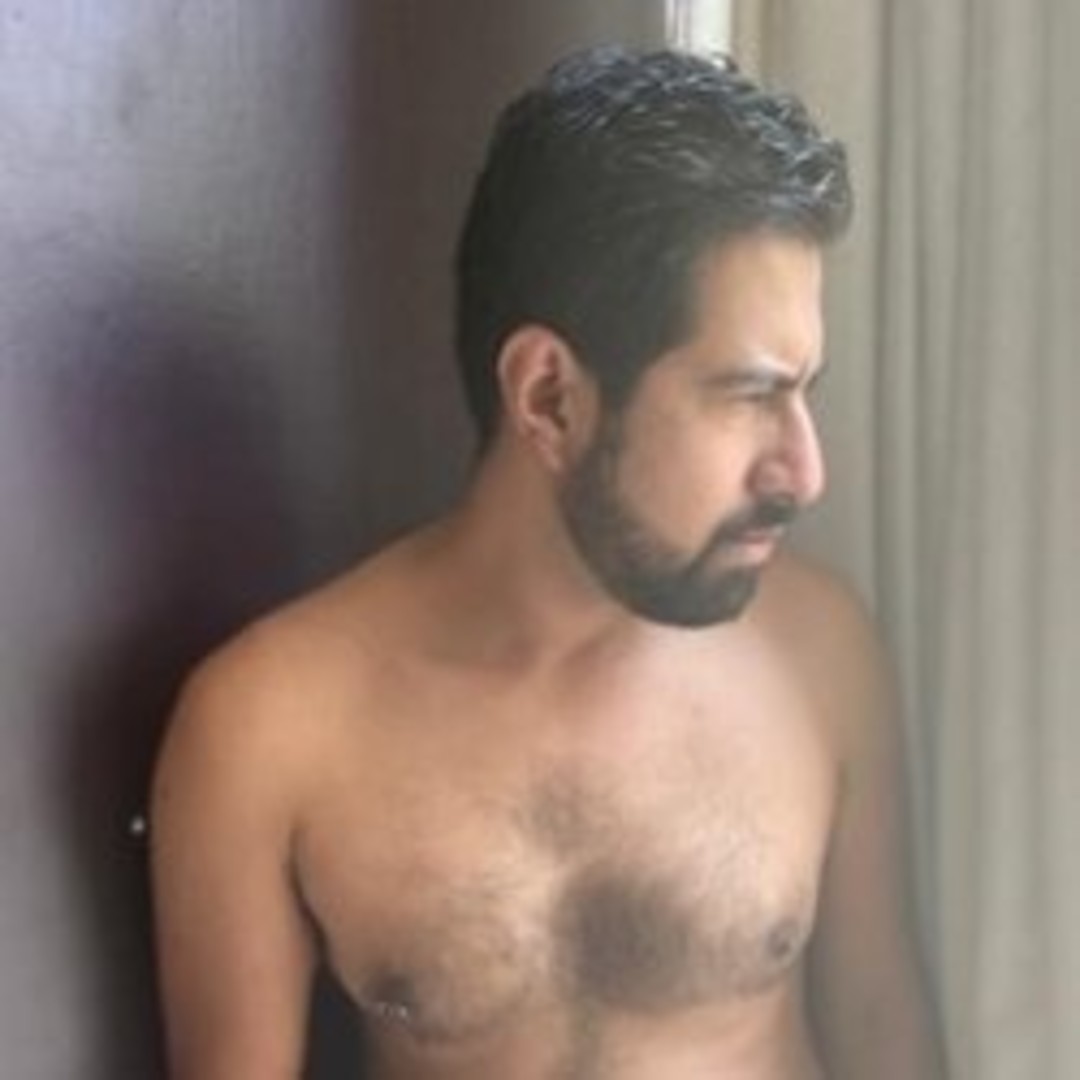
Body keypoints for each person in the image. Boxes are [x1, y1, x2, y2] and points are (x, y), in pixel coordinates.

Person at [150, 46, 948, 1080]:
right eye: (749, 395)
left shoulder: (820, 655)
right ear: (549, 396)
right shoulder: (266, 726)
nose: (804, 471)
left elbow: (888, 1039)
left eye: (805, 391)